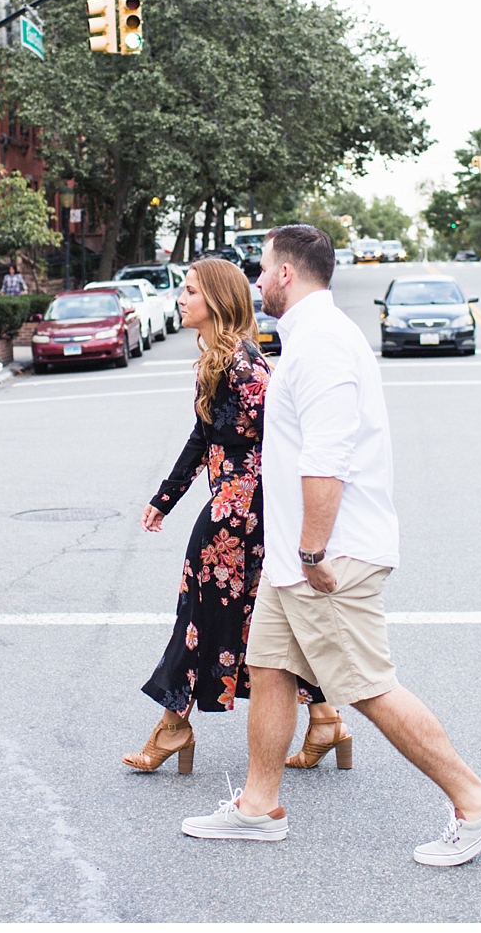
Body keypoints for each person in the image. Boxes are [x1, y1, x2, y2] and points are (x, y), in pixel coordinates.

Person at [181, 225, 481, 867]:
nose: (256, 280)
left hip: (327, 558)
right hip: (295, 559)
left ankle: (477, 801)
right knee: (270, 668)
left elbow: (326, 458)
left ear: (285, 275)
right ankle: (258, 807)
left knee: (366, 685)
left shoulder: (324, 346)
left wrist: (311, 553)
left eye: (262, 267)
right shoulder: (306, 340)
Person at [124, 258, 346, 773]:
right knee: (265, 621)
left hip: (240, 516)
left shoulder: (245, 367)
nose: (180, 300)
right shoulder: (219, 360)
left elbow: (285, 436)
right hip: (237, 512)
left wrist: (290, 513)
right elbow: (203, 436)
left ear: (217, 301)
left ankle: (174, 728)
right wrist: (164, 499)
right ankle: (327, 718)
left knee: (200, 617)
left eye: (189, 292)